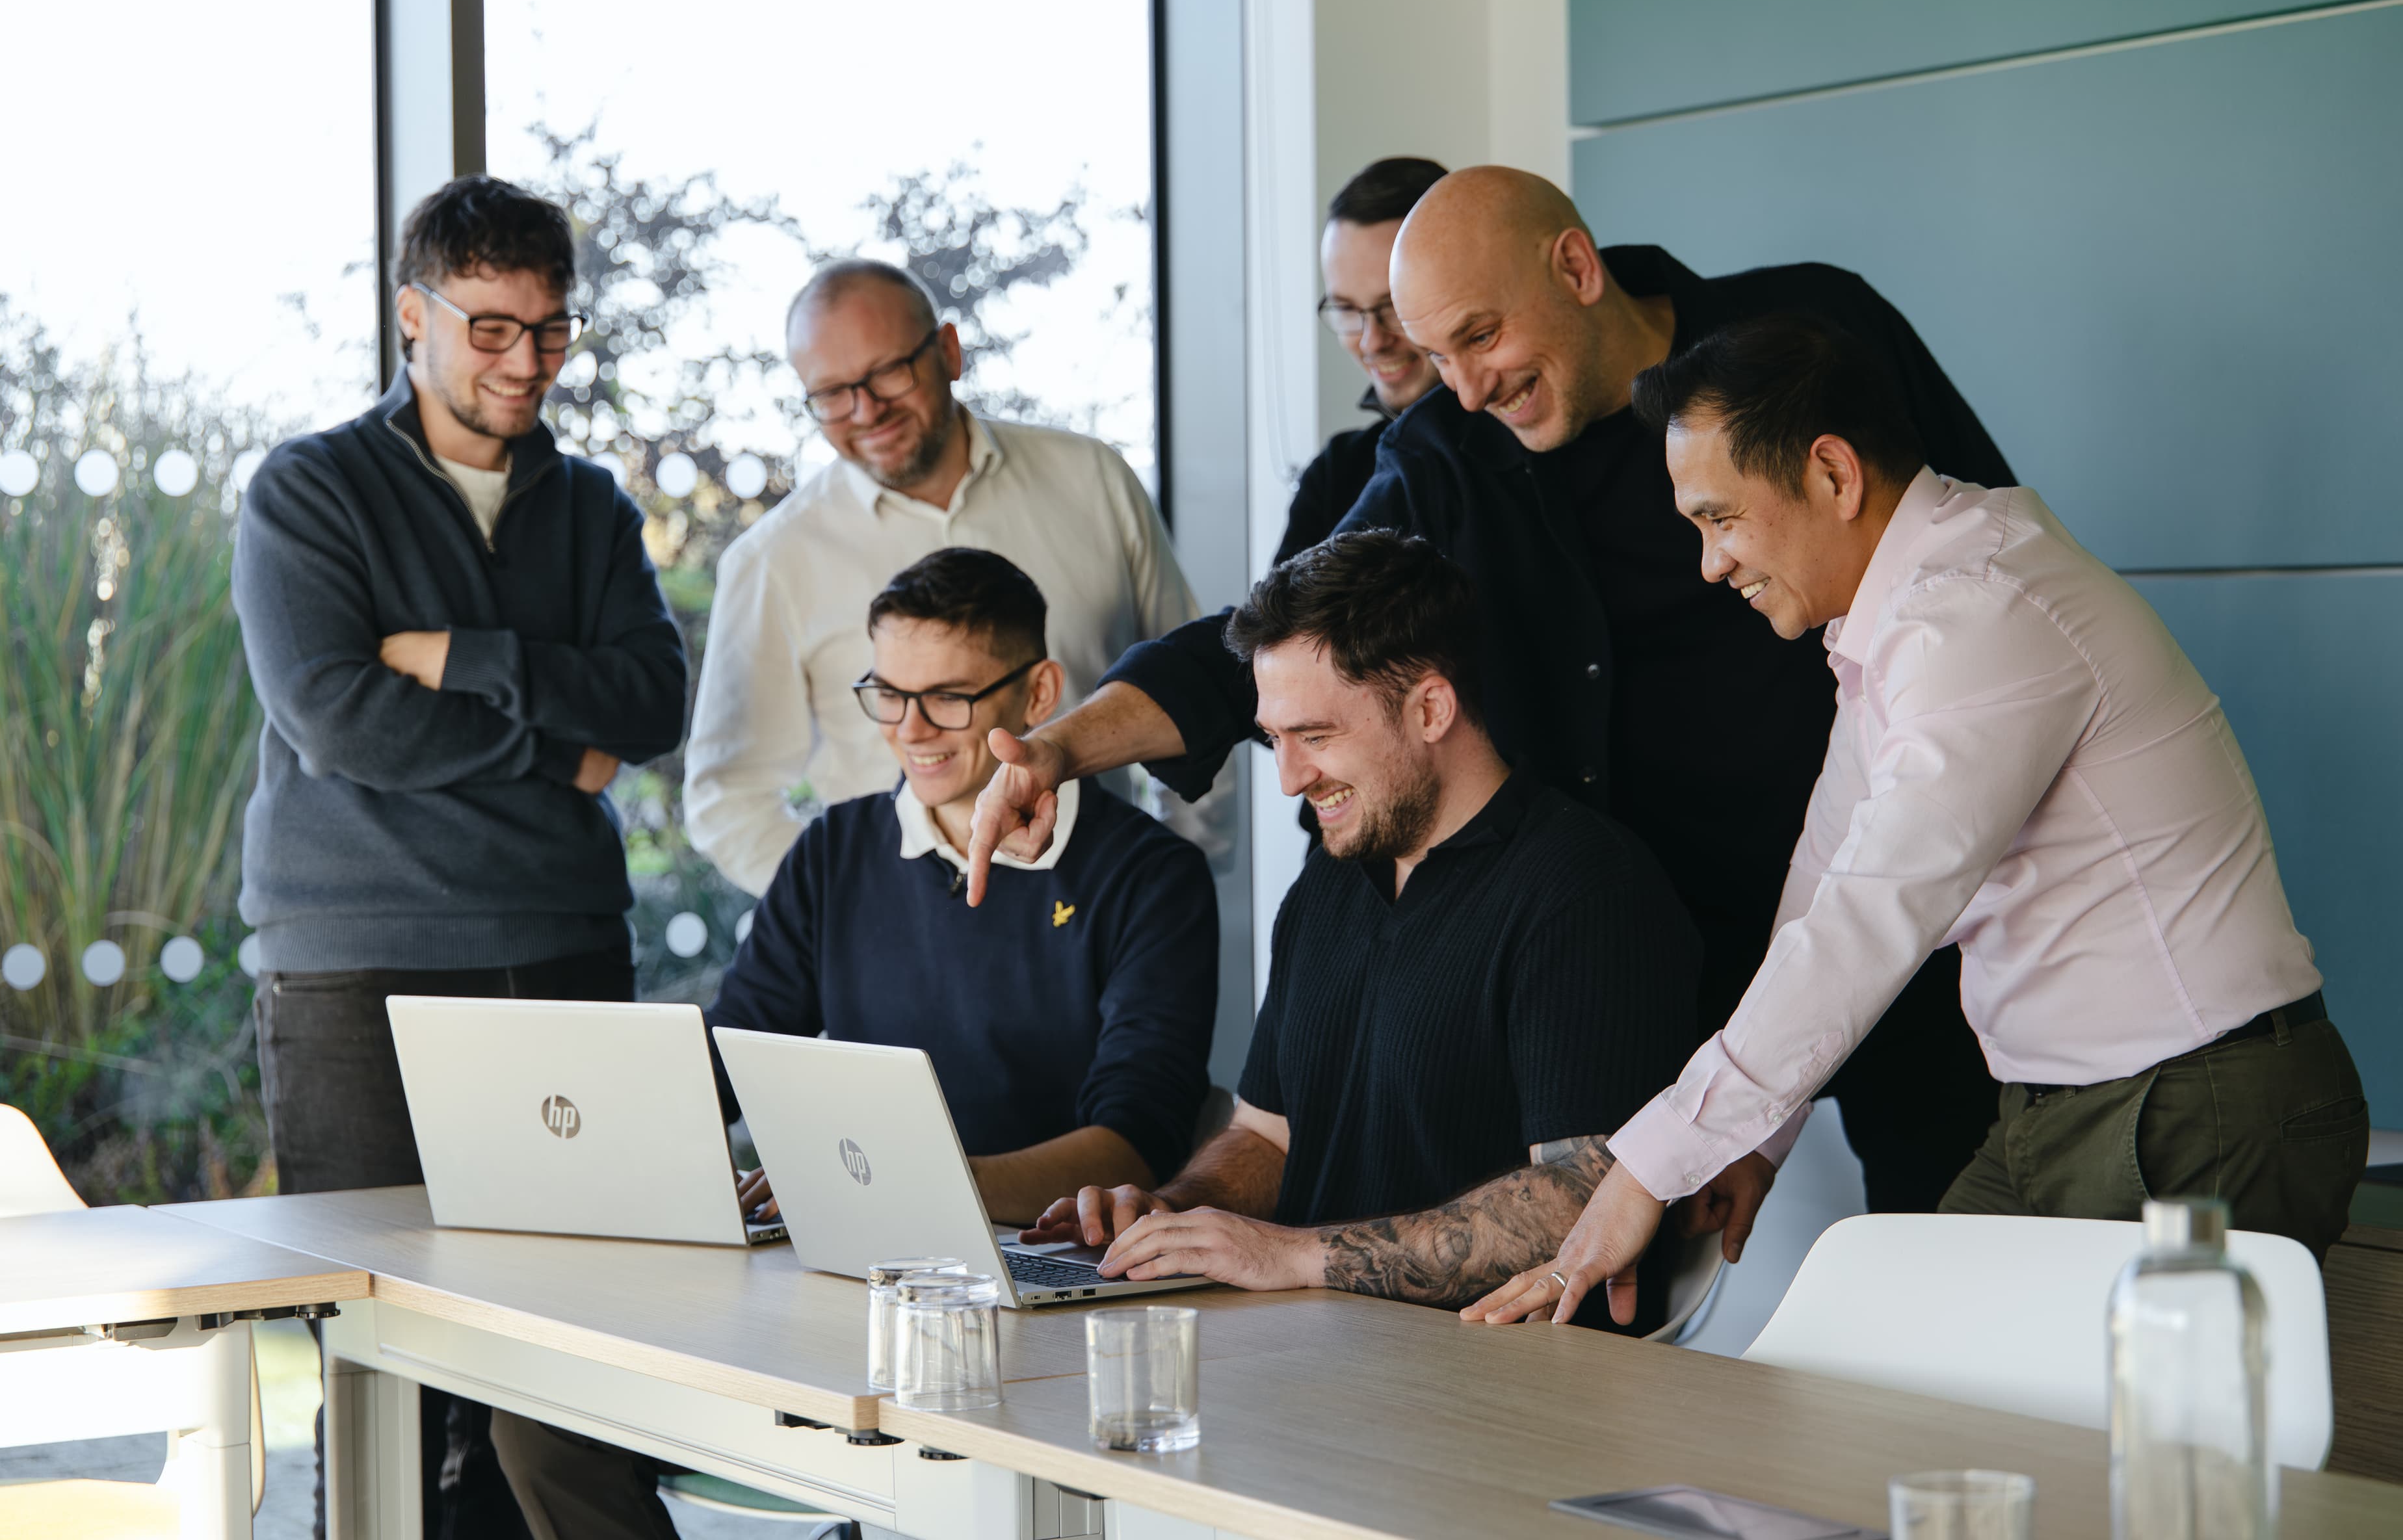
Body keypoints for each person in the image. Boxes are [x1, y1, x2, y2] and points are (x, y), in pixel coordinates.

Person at [969, 166, 2016, 1220]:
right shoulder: (1445, 454)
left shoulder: (1814, 330)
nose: (1465, 388)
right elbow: (1278, 639)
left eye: (1480, 339)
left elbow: (1983, 556)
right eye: (1433, 357)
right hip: (1639, 963)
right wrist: (1061, 749)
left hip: (1898, 906)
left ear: (1574, 268)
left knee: (1954, 1275)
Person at [1464, 315, 2369, 1330]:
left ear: (1833, 475)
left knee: (2125, 1477)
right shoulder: (1904, 614)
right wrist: (1750, 1142)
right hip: (2064, 1110)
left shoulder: (1979, 612)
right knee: (1906, 1397)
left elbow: (1871, 921)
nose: (1710, 564)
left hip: (2193, 1109)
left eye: (1721, 519)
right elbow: (1824, 882)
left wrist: (1647, 1168)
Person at [493, 547, 1218, 1540]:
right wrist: (571, 1135)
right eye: (888, 693)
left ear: (1042, 691)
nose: (910, 732)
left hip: (1043, 1297)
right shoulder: (833, 855)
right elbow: (728, 1062)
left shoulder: (1150, 878)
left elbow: (1132, 1139)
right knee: (544, 1422)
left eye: (949, 699)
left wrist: (905, 1191)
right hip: (849, 1282)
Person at [233, 174, 687, 1539]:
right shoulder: (310, 490)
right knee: (387, 1355)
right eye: (491, 327)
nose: (525, 362)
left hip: (561, 945)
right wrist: (555, 748)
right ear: (411, 315)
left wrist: (468, 661)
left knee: (566, 1356)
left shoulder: (593, 508)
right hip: (355, 968)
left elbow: (652, 704)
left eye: (551, 330)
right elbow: (337, 714)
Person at [1021, 531, 1700, 1320]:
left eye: (1316, 736)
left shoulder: (1586, 889)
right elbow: (1268, 1138)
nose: (1288, 777)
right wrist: (1175, 1217)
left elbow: (1582, 1195)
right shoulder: (1330, 879)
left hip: (1505, 1388)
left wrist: (1295, 1257)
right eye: (1275, 739)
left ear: (1431, 708)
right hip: (1309, 1355)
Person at [682, 259, 1222, 898]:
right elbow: (728, 796)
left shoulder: (1094, 479)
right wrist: (850, 915)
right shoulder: (772, 559)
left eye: (888, 372)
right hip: (897, 937)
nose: (867, 411)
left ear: (949, 350)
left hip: (1101, 908)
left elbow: (1195, 683)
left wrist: (1186, 869)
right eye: (832, 394)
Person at [1278, 155, 1449, 563]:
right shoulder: (1336, 472)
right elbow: (1276, 624)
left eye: (1394, 306)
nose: (1372, 342)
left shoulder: (1536, 439)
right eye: (1347, 310)